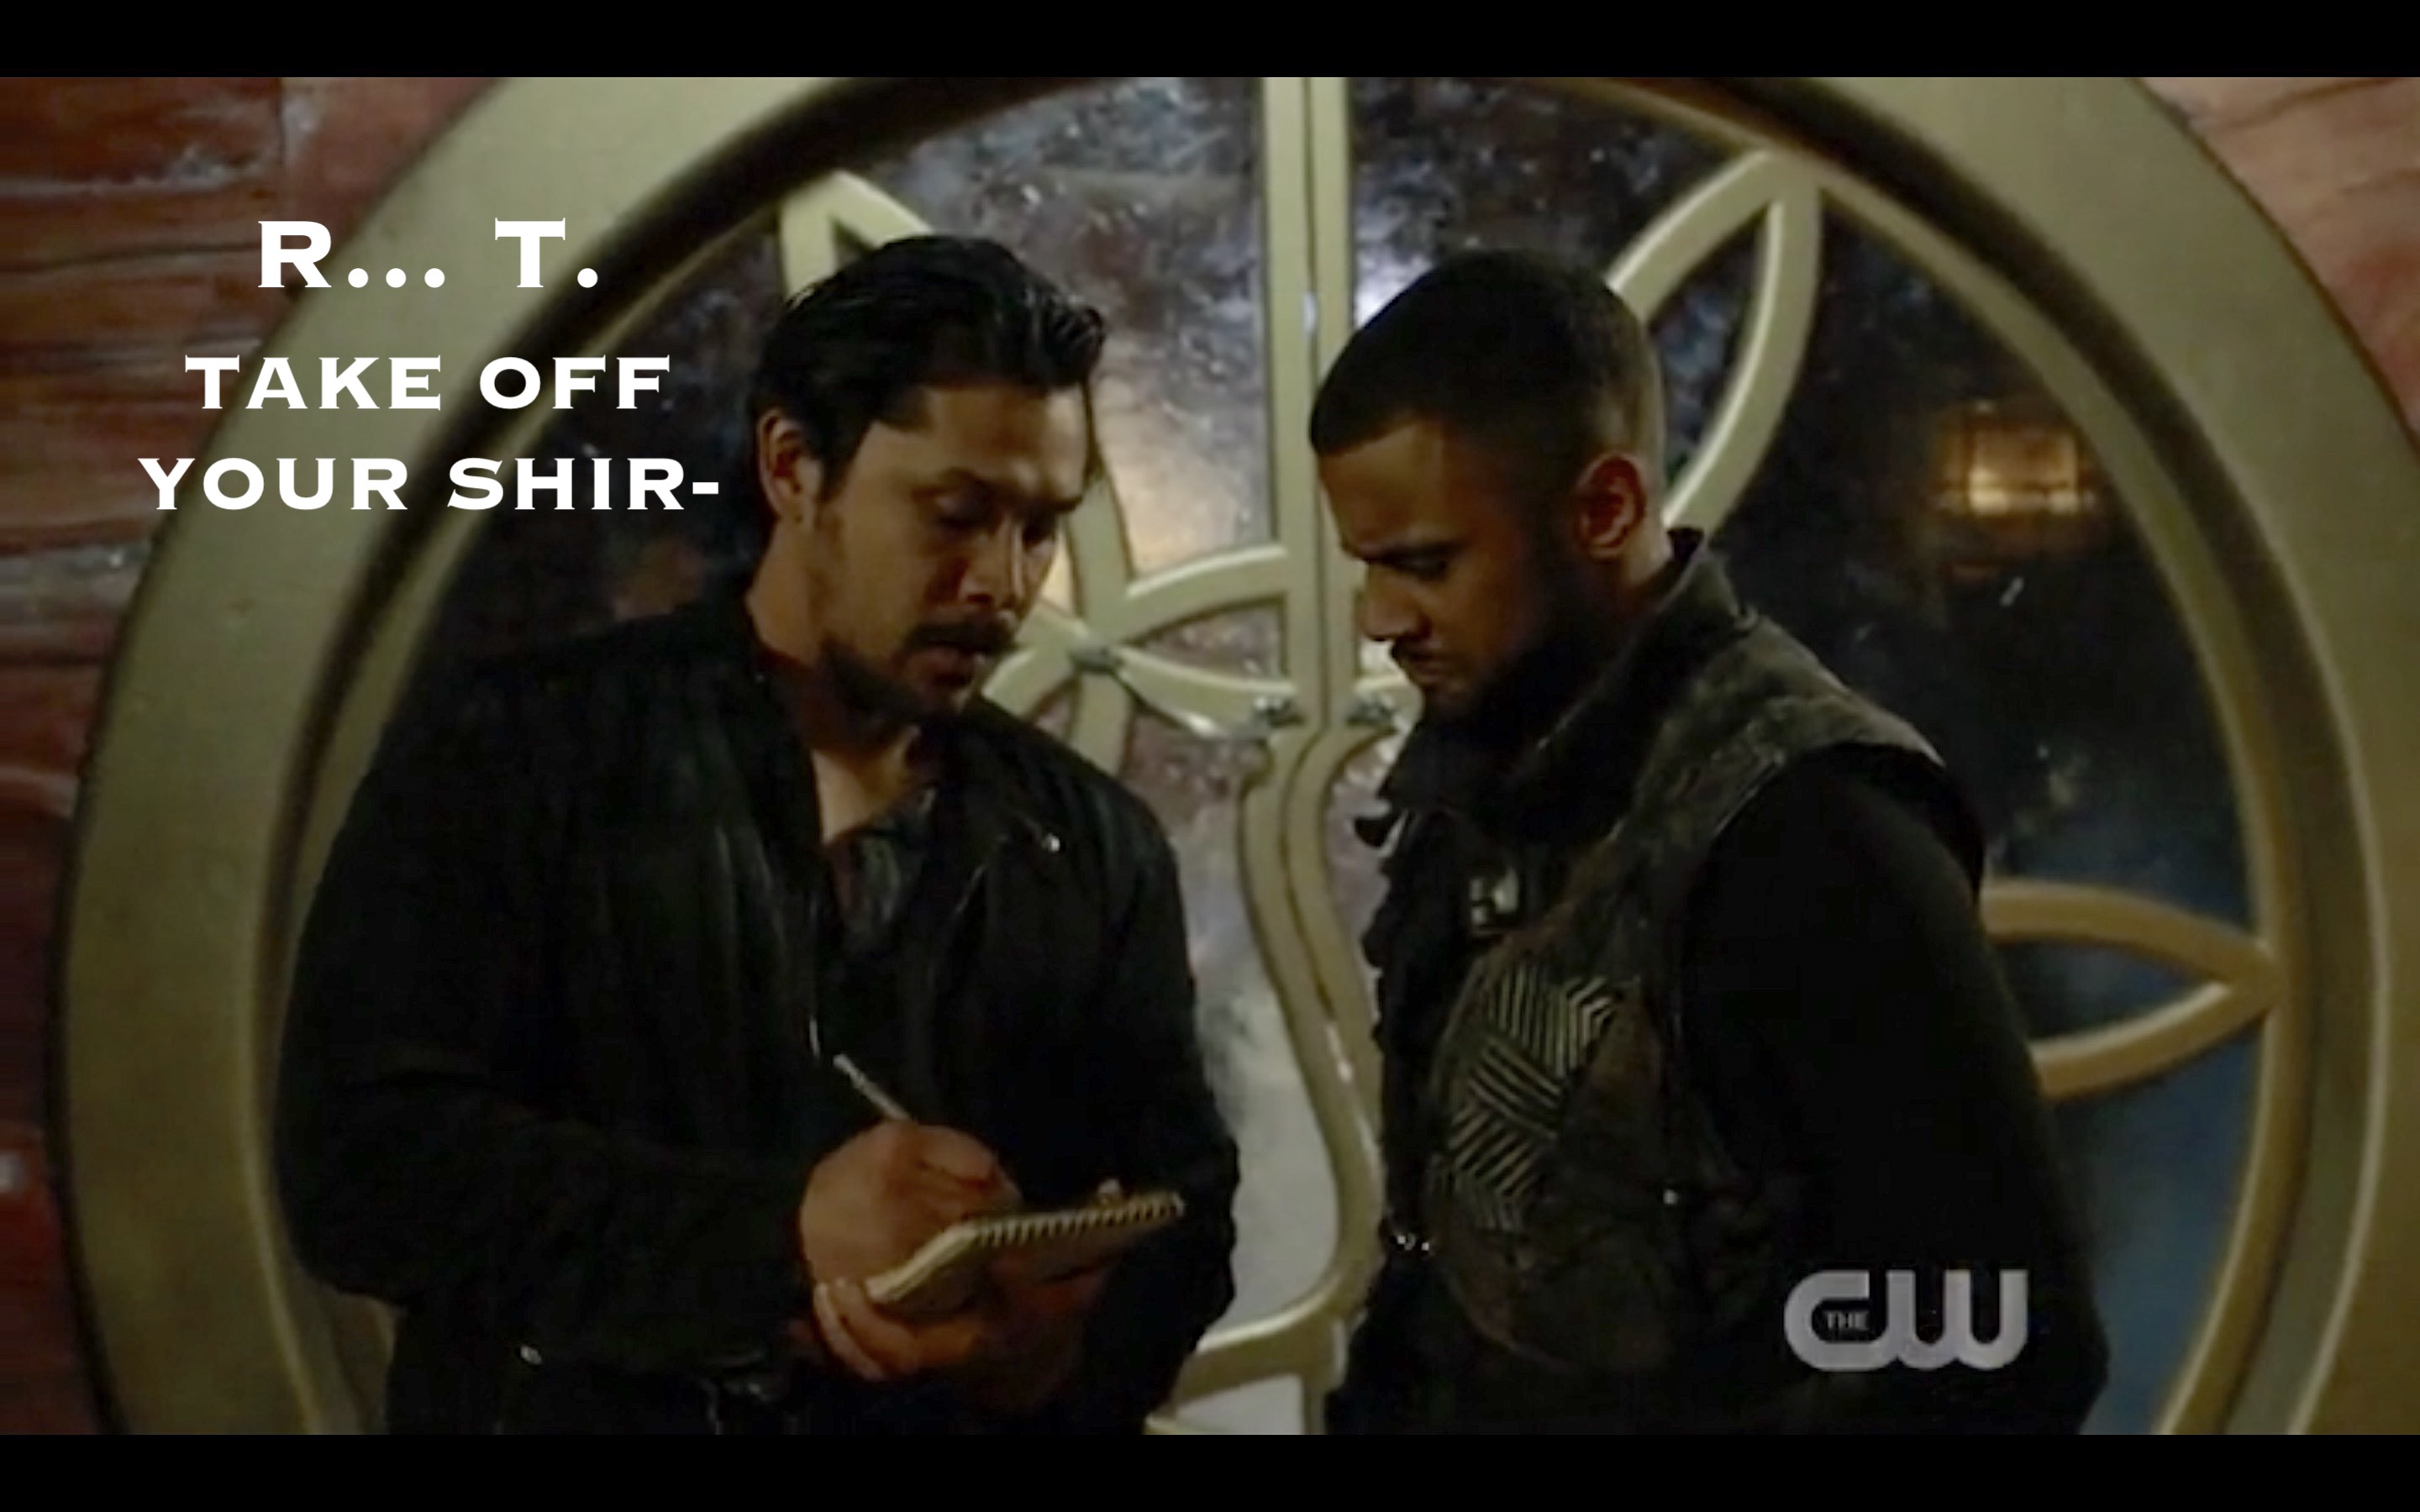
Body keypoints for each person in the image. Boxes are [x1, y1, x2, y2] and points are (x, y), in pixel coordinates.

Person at [273, 236, 1241, 1435]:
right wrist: (778, 1237)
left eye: (1041, 527)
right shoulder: (525, 753)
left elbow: (1184, 1220)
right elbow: (361, 1163)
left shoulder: (1088, 843)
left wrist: (1047, 1357)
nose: (1003, 581)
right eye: (955, 514)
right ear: (794, 468)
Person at [1310, 249, 2109, 1434]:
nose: (1380, 618)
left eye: (1425, 564)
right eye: (1368, 567)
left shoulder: (1809, 827)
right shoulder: (1491, 768)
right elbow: (1448, 1268)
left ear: (1605, 511)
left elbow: (2002, 1340)